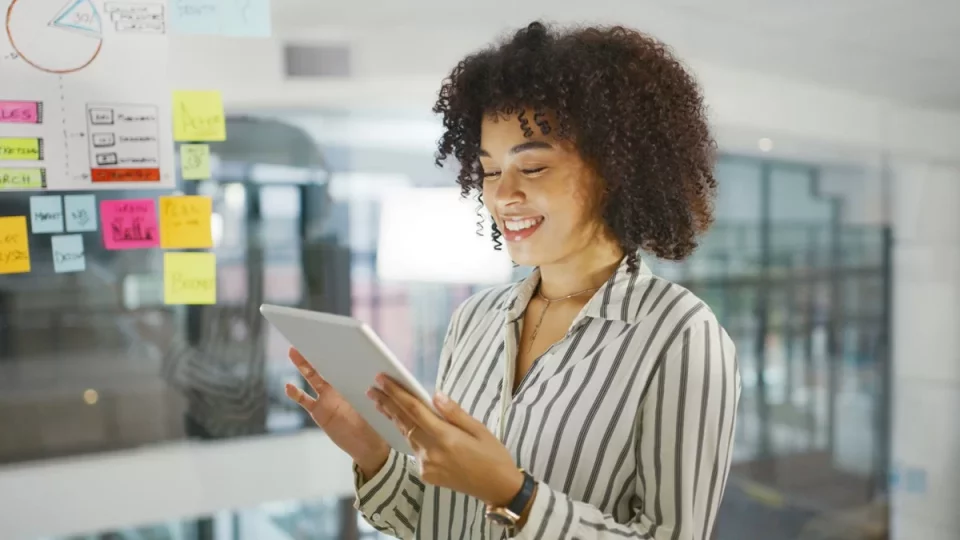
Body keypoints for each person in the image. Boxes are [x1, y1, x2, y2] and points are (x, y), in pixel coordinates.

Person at [285, 20, 741, 540]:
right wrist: (368, 448)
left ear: (615, 170)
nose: (502, 196)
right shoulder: (476, 320)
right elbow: (438, 521)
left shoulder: (680, 336)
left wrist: (515, 495)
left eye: (534, 168)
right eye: (489, 171)